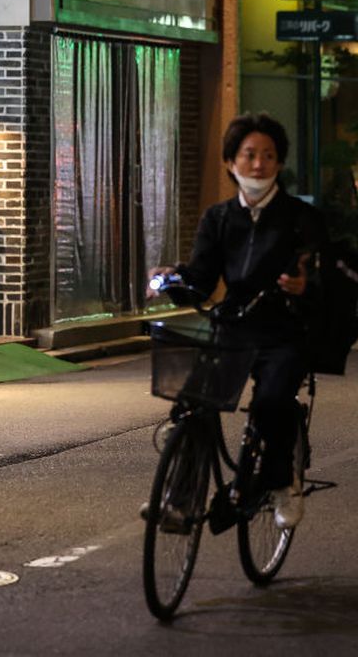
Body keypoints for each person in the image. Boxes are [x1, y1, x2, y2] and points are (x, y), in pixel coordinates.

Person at [149, 112, 327, 528]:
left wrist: (307, 285)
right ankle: (182, 499)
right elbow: (202, 278)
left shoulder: (302, 217)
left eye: (268, 155)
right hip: (232, 327)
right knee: (192, 402)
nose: (259, 164)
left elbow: (323, 272)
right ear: (231, 161)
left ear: (280, 162)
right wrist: (169, 280)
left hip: (285, 329)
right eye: (249, 155)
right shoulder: (218, 217)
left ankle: (284, 484)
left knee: (270, 402)